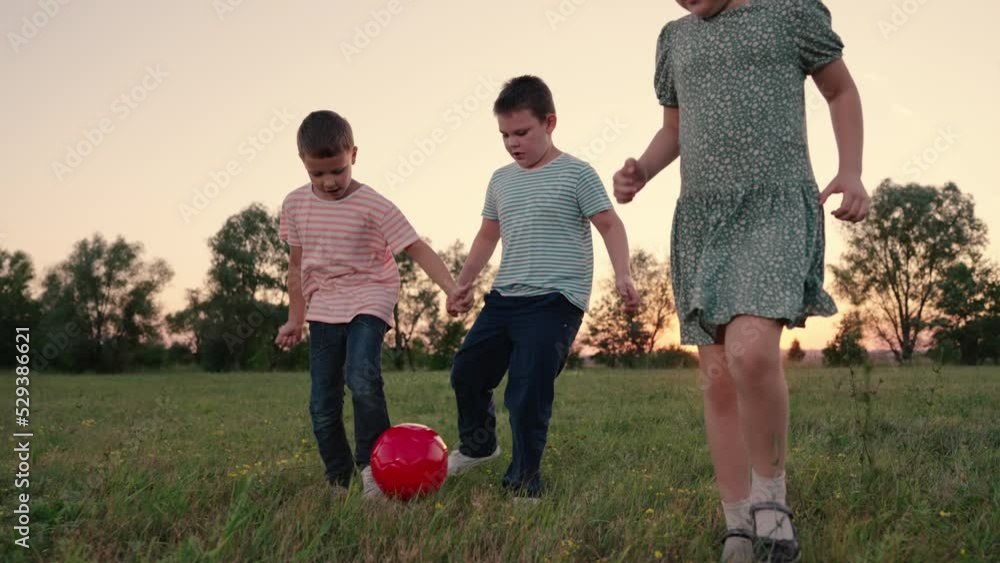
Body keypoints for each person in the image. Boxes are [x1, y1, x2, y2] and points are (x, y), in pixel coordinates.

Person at [613, 1, 869, 560]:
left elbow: (840, 92)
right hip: (704, 216)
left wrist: (850, 169)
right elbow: (674, 129)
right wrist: (643, 171)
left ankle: (771, 501)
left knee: (752, 353)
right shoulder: (674, 38)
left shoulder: (792, 14)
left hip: (775, 205)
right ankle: (737, 522)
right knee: (719, 376)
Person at [445, 75, 640, 500]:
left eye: (521, 132)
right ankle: (479, 447)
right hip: (504, 298)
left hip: (556, 300)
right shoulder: (500, 180)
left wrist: (623, 273)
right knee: (467, 373)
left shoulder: (576, 174)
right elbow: (486, 236)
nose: (513, 143)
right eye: (504, 135)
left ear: (549, 122)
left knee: (527, 391)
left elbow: (610, 224)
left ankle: (524, 482)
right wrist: (462, 284)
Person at [275, 110, 465, 499]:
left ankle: (373, 473)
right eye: (318, 174)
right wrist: (296, 318)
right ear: (303, 164)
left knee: (361, 377)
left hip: (370, 294)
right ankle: (337, 478)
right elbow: (296, 266)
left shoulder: (373, 204)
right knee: (322, 403)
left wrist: (451, 287)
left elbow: (416, 247)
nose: (329, 182)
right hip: (325, 303)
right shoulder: (294, 205)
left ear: (354, 155)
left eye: (338, 171)